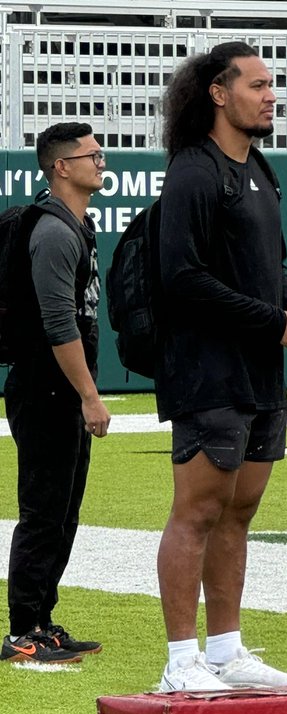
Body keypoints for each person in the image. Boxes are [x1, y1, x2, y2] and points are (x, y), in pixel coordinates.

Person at [154, 41, 287, 692]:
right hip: (206, 371)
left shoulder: (261, 168)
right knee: (196, 511)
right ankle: (180, 663)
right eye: (257, 84)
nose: (270, 94)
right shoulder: (194, 171)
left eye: (272, 84)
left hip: (259, 372)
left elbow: (269, 269)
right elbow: (182, 279)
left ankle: (225, 651)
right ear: (220, 94)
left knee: (238, 513)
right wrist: (274, 322)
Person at [2, 123, 111, 666]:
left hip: (58, 388)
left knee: (63, 511)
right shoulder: (54, 232)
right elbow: (57, 323)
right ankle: (23, 629)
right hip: (47, 388)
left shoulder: (77, 224)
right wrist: (90, 396)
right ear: (60, 166)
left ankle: (42, 619)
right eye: (91, 154)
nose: (102, 161)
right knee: (43, 511)